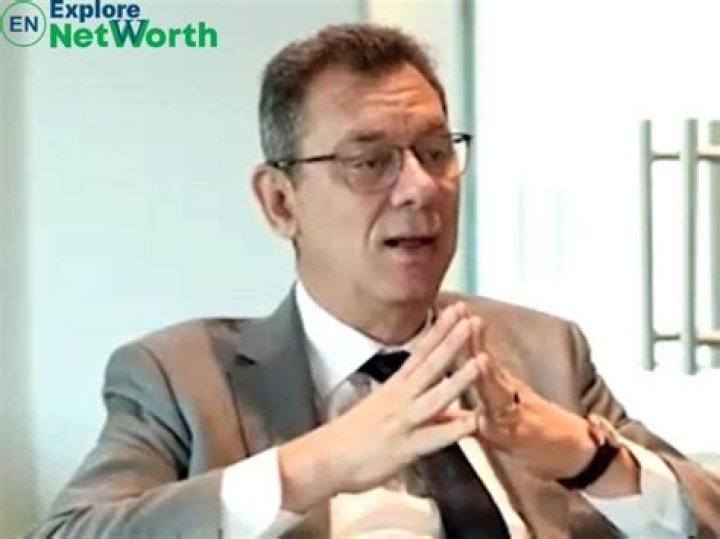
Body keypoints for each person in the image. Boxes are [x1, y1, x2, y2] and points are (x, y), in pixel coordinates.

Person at [24, 23, 719, 539]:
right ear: (280, 202)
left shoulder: (543, 352)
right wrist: (318, 464)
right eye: (369, 162)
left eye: (435, 152)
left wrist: (580, 452)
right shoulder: (181, 379)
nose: (420, 187)